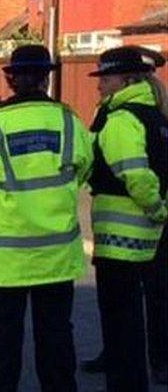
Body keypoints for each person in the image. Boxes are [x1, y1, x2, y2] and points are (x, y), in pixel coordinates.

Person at [0, 45, 92, 392]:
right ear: (46, 79)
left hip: (5, 259)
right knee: (56, 338)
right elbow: (84, 169)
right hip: (55, 257)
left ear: (11, 79)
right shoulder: (69, 120)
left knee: (4, 342)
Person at [82, 46, 168, 391]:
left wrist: (157, 209)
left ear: (127, 78)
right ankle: (129, 358)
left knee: (132, 303)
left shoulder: (125, 115)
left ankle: (147, 362)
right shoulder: (139, 111)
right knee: (132, 304)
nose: (99, 84)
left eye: (105, 77)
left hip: (131, 227)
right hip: (145, 224)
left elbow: (134, 172)